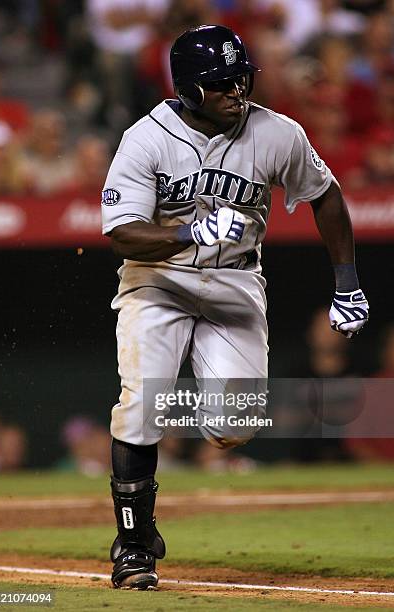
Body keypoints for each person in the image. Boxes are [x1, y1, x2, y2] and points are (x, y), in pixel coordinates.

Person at [101, 24, 369, 590]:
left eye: (241, 78)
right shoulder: (146, 137)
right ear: (189, 88)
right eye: (221, 83)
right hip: (159, 280)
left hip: (236, 283)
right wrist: (188, 231)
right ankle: (133, 543)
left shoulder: (278, 133)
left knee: (234, 424)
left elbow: (327, 196)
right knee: (142, 400)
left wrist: (346, 282)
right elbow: (122, 234)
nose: (236, 91)